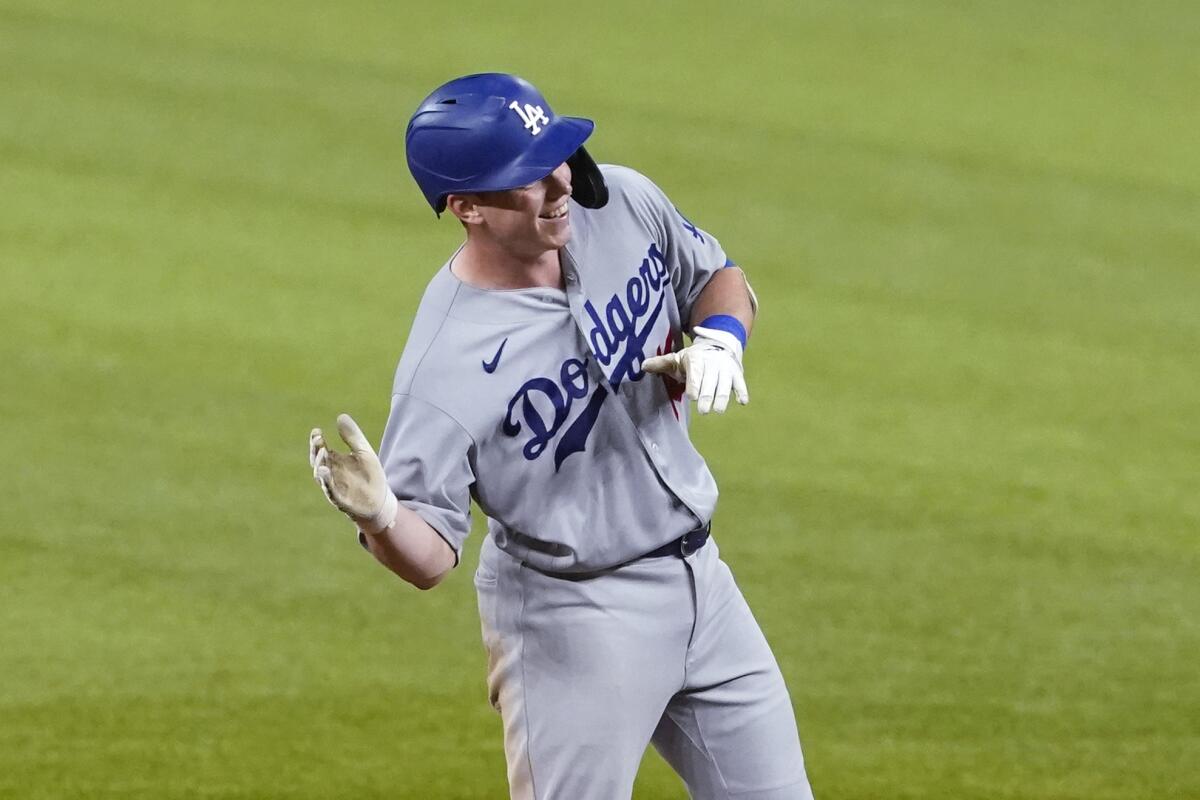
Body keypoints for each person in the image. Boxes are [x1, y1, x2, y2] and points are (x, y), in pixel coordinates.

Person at [308, 73, 815, 799]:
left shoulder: (624, 205)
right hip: (572, 621)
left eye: (556, 154)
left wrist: (723, 341)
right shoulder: (444, 364)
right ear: (466, 207)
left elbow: (718, 276)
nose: (558, 186)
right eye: (526, 177)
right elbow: (431, 559)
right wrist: (385, 518)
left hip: (706, 583)